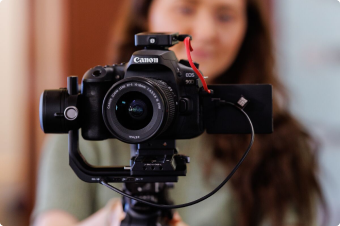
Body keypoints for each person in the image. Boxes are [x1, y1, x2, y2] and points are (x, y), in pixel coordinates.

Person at [31, 0, 325, 225]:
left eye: (225, 15)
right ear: (146, 14)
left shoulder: (280, 142)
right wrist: (109, 220)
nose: (206, 32)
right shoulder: (88, 118)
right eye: (185, 8)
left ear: (248, 29)